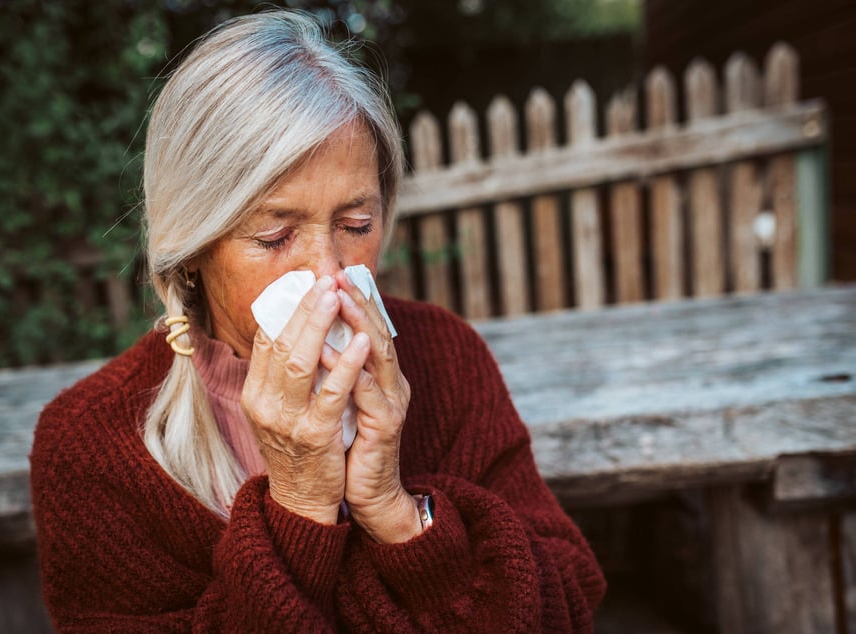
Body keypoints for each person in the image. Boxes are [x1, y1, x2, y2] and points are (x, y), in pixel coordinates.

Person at [30, 9, 605, 632]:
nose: (329, 274)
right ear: (191, 247)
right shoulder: (90, 445)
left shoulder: (446, 356)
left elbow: (568, 605)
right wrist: (300, 507)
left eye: (356, 225)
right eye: (275, 236)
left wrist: (397, 515)